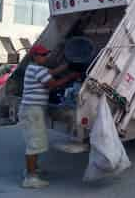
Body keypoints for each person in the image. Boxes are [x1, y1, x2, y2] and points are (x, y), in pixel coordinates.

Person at [19, 44, 80, 189]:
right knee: (34, 143)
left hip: (31, 110)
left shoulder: (33, 68)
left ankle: (33, 170)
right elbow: (53, 85)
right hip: (32, 111)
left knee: (36, 141)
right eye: (42, 55)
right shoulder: (38, 70)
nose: (45, 57)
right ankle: (30, 178)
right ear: (34, 56)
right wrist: (70, 76)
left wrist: (68, 64)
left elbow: (52, 72)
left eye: (46, 54)